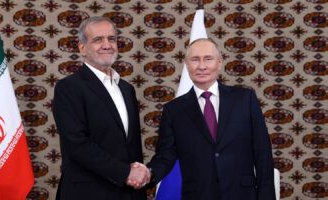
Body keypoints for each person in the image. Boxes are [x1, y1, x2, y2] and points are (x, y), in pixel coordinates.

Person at [146, 38, 276, 200]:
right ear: (187, 65)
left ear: (219, 62)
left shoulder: (245, 99)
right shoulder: (174, 110)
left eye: (208, 59)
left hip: (242, 194)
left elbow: (262, 154)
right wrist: (146, 174)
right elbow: (165, 157)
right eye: (195, 59)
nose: (202, 66)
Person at [52, 16, 149, 200]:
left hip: (128, 193)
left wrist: (138, 180)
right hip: (87, 193)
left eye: (111, 39)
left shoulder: (127, 89)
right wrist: (125, 173)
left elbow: (131, 146)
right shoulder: (69, 88)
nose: (107, 45)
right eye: (98, 40)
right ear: (82, 48)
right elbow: (78, 145)